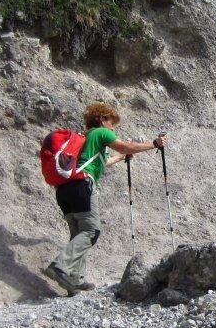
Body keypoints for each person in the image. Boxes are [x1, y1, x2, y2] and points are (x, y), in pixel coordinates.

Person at [43, 102, 166, 295]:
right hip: (82, 185)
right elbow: (126, 146)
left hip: (64, 188)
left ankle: (74, 280)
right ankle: (60, 266)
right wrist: (154, 144)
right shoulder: (101, 133)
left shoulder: (86, 137)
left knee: (78, 233)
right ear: (102, 119)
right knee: (92, 231)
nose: (113, 127)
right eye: (111, 121)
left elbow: (101, 162)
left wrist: (119, 158)